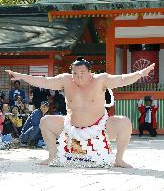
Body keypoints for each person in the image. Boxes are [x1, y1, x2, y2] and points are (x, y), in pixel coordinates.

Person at [6, 58, 155, 168]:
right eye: (75, 73)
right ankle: (52, 157)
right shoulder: (65, 80)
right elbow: (44, 81)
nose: (78, 76)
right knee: (46, 122)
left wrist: (140, 73)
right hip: (71, 129)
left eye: (82, 73)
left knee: (124, 122)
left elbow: (122, 79)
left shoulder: (100, 80)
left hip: (100, 128)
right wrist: (22, 77)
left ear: (90, 72)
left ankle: (119, 159)